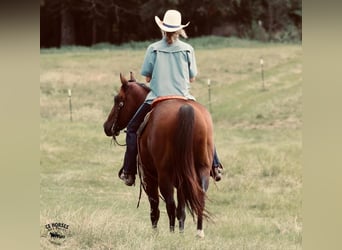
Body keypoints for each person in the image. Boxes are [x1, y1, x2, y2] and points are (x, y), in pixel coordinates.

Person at [119, 9, 223, 186]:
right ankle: (215, 165)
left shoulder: (153, 49)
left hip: (157, 98)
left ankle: (129, 171)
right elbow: (192, 77)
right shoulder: (188, 49)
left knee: (131, 129)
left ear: (162, 29)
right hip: (184, 97)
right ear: (179, 30)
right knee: (205, 125)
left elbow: (147, 77)